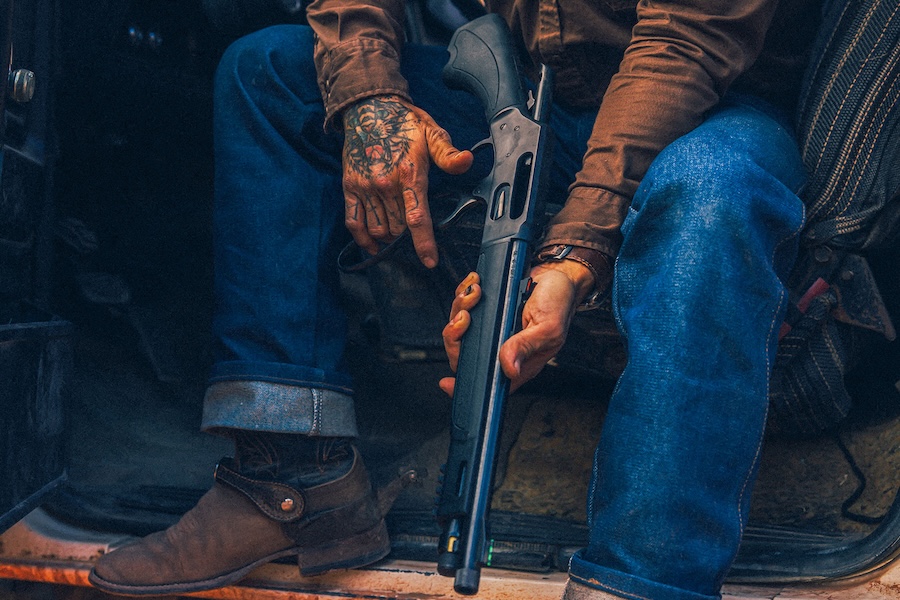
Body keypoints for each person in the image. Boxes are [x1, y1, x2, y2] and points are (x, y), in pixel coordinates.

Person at [88, 0, 826, 598]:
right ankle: (293, 478)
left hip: (709, 101)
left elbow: (686, 43)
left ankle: (645, 579)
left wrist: (570, 253)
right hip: (537, 98)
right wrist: (371, 95)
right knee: (267, 74)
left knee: (710, 197)